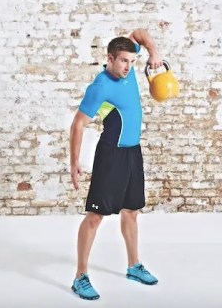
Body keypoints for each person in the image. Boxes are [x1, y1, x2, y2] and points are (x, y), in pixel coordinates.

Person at [69, 28, 162, 300]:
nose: (128, 67)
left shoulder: (129, 68)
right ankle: (80, 276)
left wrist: (154, 54)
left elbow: (138, 33)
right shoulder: (101, 86)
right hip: (111, 155)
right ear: (110, 58)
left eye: (132, 62)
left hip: (133, 152)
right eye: (123, 61)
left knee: (131, 211)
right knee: (96, 216)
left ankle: (134, 266)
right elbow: (78, 124)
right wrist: (74, 162)